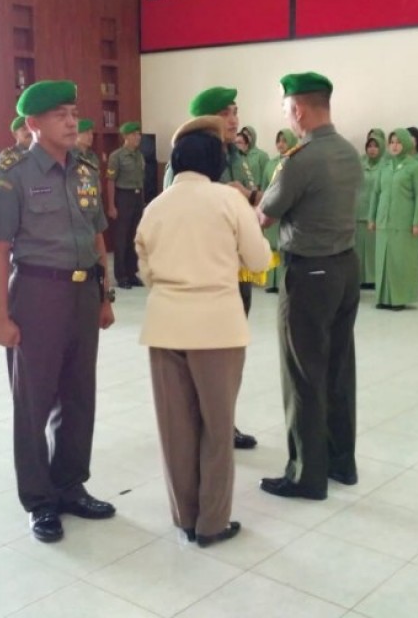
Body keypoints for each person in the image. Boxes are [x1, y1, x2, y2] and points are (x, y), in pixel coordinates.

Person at [0, 79, 117, 544]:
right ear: (33, 124)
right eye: (60, 114)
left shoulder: (84, 168)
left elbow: (98, 236)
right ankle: (40, 500)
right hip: (37, 294)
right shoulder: (13, 173)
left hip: (83, 294)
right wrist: (0, 318)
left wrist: (105, 295)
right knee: (34, 401)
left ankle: (70, 485)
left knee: (79, 394)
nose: (71, 120)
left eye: (72, 112)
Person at [136, 115, 271, 547]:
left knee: (176, 428)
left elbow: (145, 271)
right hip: (218, 328)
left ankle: (185, 516)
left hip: (165, 326)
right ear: (216, 161)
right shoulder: (228, 201)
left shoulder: (155, 206)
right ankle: (212, 523)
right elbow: (257, 259)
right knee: (217, 427)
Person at [257, 72, 361, 500]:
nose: (289, 118)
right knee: (338, 368)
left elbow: (266, 214)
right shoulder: (348, 152)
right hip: (345, 268)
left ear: (298, 109)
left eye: (287, 110)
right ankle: (341, 463)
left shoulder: (301, 159)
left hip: (310, 272)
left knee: (302, 372)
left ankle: (305, 474)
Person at [171, 86, 261, 451]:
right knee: (199, 359)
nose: (234, 120)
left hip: (235, 272)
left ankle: (224, 421)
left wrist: (247, 199)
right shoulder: (184, 161)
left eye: (235, 111)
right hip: (201, 279)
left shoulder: (236, 156)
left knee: (231, 358)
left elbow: (253, 203)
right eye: (226, 113)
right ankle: (195, 425)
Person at [369, 128, 418, 310]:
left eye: (398, 142)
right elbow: (376, 193)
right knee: (383, 261)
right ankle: (383, 298)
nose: (394, 146)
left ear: (407, 144)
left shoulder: (415, 167)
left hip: (404, 223)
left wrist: (417, 221)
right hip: (384, 222)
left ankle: (399, 298)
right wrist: (372, 217)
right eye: (392, 142)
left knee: (400, 261)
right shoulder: (384, 167)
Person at [106, 121, 146, 289]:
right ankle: (121, 275)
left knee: (133, 237)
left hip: (137, 197)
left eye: (139, 134)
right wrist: (111, 206)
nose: (138, 137)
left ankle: (132, 273)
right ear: (126, 137)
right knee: (121, 239)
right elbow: (110, 181)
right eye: (134, 134)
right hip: (123, 197)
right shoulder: (117, 156)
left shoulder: (139, 155)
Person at [262, 129, 298, 293]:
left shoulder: (295, 161)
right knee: (272, 246)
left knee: (284, 245)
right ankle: (272, 282)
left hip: (287, 210)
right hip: (272, 210)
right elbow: (264, 187)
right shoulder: (271, 163)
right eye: (279, 141)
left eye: (284, 140)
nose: (281, 144)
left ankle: (284, 281)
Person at [357, 129, 385, 289]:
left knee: (374, 249)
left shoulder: (386, 165)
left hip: (377, 213)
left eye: (376, 146)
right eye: (370, 146)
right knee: (359, 248)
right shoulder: (360, 164)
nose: (372, 149)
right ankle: (361, 278)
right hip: (359, 212)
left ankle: (375, 278)